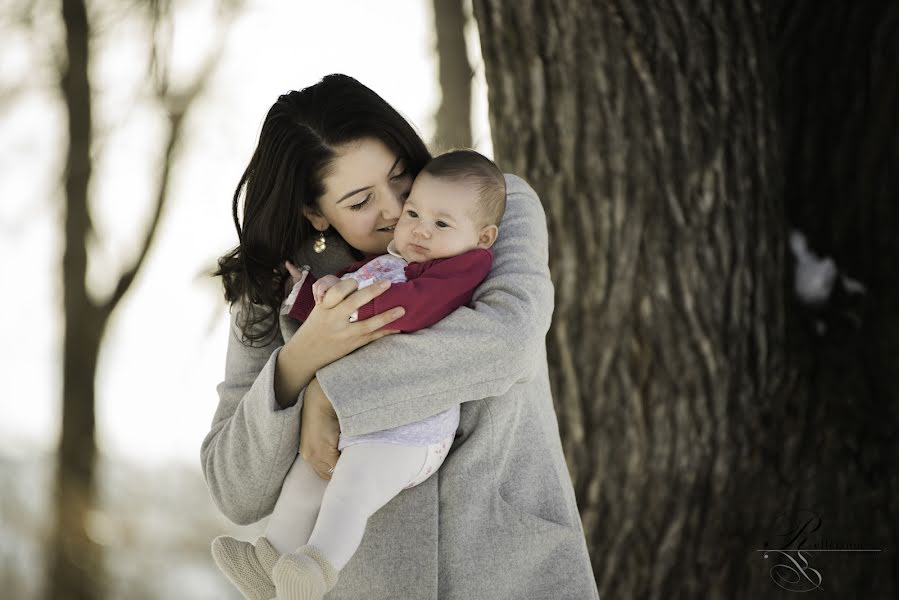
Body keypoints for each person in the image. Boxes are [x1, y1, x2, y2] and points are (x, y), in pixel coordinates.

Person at [202, 74, 599, 600]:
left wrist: (328, 392)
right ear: (317, 213)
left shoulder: (489, 207)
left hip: (507, 571)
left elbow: (508, 339)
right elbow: (235, 490)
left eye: (400, 178)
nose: (394, 211)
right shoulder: (274, 287)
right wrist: (301, 359)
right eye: (361, 200)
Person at [211, 149, 506, 600]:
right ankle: (269, 562)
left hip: (411, 429)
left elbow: (415, 306)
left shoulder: (462, 264)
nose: (414, 225)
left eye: (401, 187)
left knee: (352, 487)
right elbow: (333, 302)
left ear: (483, 236)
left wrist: (348, 322)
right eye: (414, 213)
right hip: (361, 426)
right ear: (317, 213)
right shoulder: (392, 261)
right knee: (308, 478)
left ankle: (318, 565)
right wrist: (307, 294)